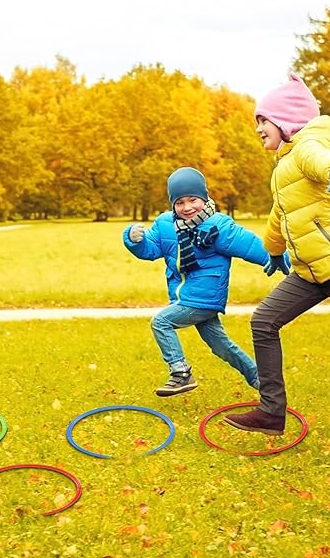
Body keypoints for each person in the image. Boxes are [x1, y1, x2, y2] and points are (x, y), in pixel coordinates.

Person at [225, 74, 330, 436]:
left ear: (286, 121)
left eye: (263, 120)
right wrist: (274, 250)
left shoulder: (307, 146)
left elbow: (320, 158)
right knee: (263, 322)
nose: (258, 128)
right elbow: (280, 214)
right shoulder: (284, 167)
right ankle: (271, 413)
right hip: (309, 273)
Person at [122, 167, 287, 397]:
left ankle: (181, 373)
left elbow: (251, 245)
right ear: (173, 204)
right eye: (180, 202)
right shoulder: (165, 224)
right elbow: (149, 250)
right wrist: (134, 240)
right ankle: (262, 383)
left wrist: (283, 259)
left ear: (205, 197)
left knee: (161, 322)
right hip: (185, 297)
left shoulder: (219, 226)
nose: (187, 207)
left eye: (193, 200)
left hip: (204, 297)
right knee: (221, 346)